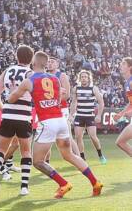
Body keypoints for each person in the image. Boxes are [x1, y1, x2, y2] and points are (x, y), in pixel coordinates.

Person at [9, 51, 103, 199]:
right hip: (61, 120)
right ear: (46, 64)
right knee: (69, 154)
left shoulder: (29, 80)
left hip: (47, 122)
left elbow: (11, 99)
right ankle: (95, 182)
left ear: (33, 63)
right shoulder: (55, 79)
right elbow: (60, 99)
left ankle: (63, 184)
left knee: (37, 161)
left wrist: (15, 88)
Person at [0, 45, 34, 196]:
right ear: (31, 59)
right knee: (26, 151)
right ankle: (24, 187)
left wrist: (4, 109)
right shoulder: (31, 74)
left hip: (8, 114)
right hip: (24, 116)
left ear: (17, 56)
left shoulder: (8, 71)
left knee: (1, 149)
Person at [45, 56, 80, 161]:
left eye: (52, 62)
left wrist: (53, 102)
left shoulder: (62, 75)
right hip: (48, 110)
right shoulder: (44, 76)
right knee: (46, 136)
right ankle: (46, 161)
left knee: (68, 136)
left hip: (61, 109)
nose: (50, 63)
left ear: (57, 64)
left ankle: (79, 158)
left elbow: (67, 95)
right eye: (48, 62)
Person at [70, 70, 106, 163]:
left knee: (93, 137)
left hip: (90, 116)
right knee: (78, 137)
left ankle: (100, 155)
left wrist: (98, 115)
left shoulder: (93, 88)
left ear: (88, 78)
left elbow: (101, 102)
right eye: (82, 77)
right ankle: (82, 158)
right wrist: (71, 115)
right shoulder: (76, 88)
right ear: (80, 78)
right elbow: (74, 103)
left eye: (85, 77)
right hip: (79, 116)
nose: (83, 78)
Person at [114, 57, 132, 157]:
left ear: (130, 67)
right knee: (120, 142)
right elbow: (131, 103)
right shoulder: (127, 83)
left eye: (124, 64)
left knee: (120, 142)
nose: (121, 65)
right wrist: (121, 114)